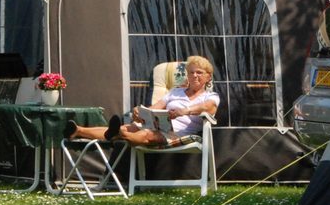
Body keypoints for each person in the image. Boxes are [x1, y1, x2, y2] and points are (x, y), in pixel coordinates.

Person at [66, 55, 219, 147]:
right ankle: (78, 130)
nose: (194, 76)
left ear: (208, 77)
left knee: (145, 133)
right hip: (159, 125)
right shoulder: (175, 92)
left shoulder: (210, 96)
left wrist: (184, 111)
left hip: (178, 134)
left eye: (199, 73)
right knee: (130, 126)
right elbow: (155, 107)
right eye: (191, 72)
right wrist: (140, 112)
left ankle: (119, 134)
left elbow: (208, 108)